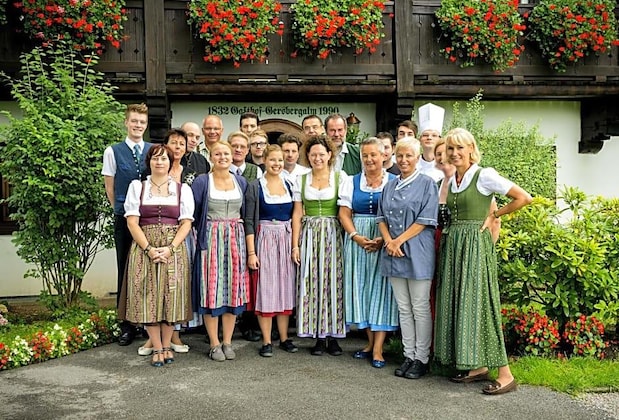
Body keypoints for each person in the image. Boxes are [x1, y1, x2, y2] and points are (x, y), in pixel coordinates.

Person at [434, 128, 532, 395]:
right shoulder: (454, 178)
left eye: (460, 148)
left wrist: (495, 215)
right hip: (456, 247)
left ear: (471, 149)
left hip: (475, 248)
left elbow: (523, 197)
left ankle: (505, 374)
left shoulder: (483, 175)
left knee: (482, 306)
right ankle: (476, 367)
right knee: (462, 305)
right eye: (450, 149)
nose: (454, 153)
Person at [123, 144, 194, 367]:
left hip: (173, 250)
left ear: (171, 161)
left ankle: (165, 345)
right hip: (145, 249)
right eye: (155, 158)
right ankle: (156, 344)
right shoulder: (138, 187)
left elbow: (186, 223)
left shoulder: (182, 189)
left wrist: (171, 248)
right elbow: (132, 222)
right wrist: (149, 249)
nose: (159, 162)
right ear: (149, 162)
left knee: (171, 298)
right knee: (147, 297)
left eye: (164, 158)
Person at [377, 136, 438, 380]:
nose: (403, 160)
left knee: (420, 307)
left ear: (417, 158)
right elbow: (380, 217)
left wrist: (397, 240)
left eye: (409, 156)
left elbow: (425, 219)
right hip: (393, 252)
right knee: (403, 307)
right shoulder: (389, 185)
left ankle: (422, 358)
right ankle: (408, 354)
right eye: (400, 156)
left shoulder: (427, 184)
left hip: (417, 251)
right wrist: (389, 241)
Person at [338, 137, 399, 369]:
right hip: (357, 238)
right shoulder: (352, 181)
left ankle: (377, 349)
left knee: (381, 290)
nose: (369, 159)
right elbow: (344, 213)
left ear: (384, 155)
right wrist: (355, 236)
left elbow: (399, 213)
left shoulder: (394, 181)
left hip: (386, 236)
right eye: (365, 155)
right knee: (360, 288)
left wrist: (384, 238)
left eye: (373, 154)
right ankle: (369, 343)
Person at [191, 141, 250, 361]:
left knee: (232, 290)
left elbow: (246, 211)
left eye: (226, 153)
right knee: (212, 289)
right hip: (211, 238)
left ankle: (227, 341)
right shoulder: (202, 181)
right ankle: (214, 343)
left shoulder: (241, 182)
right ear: (211, 156)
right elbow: (194, 211)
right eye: (218, 153)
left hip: (235, 238)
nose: (223, 157)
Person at [102, 103, 152, 346]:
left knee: (148, 270)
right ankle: (126, 324)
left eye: (142, 122)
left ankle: (147, 321)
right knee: (125, 268)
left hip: (151, 220)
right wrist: (120, 209)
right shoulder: (113, 151)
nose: (138, 125)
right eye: (134, 121)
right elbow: (109, 186)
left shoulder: (154, 150)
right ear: (126, 122)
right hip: (125, 218)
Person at [291, 135, 346, 356]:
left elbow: (344, 212)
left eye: (321, 154)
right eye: (313, 154)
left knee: (333, 282)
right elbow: (296, 214)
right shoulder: (301, 180)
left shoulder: (340, 178)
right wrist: (295, 245)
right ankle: (317, 336)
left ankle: (333, 335)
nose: (317, 158)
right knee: (311, 282)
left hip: (332, 234)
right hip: (309, 234)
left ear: (330, 155)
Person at [245, 145, 298, 357]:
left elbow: (296, 216)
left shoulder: (290, 184)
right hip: (264, 238)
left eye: (280, 160)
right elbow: (248, 220)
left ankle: (284, 337)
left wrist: (295, 244)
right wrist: (251, 252)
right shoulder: (255, 186)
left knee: (284, 287)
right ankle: (267, 340)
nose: (277, 164)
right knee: (265, 289)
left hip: (285, 238)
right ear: (264, 161)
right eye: (272, 160)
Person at [228, 130, 262, 342]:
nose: (238, 150)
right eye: (235, 146)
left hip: (248, 229)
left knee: (247, 277)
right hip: (227, 227)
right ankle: (227, 323)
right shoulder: (221, 169)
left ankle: (249, 323)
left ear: (247, 150)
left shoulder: (255, 171)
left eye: (242, 147)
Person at [416, 103, 445, 182]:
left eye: (434, 135)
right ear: (420, 140)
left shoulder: (446, 166)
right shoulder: (413, 164)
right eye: (425, 135)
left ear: (440, 140)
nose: (429, 138)